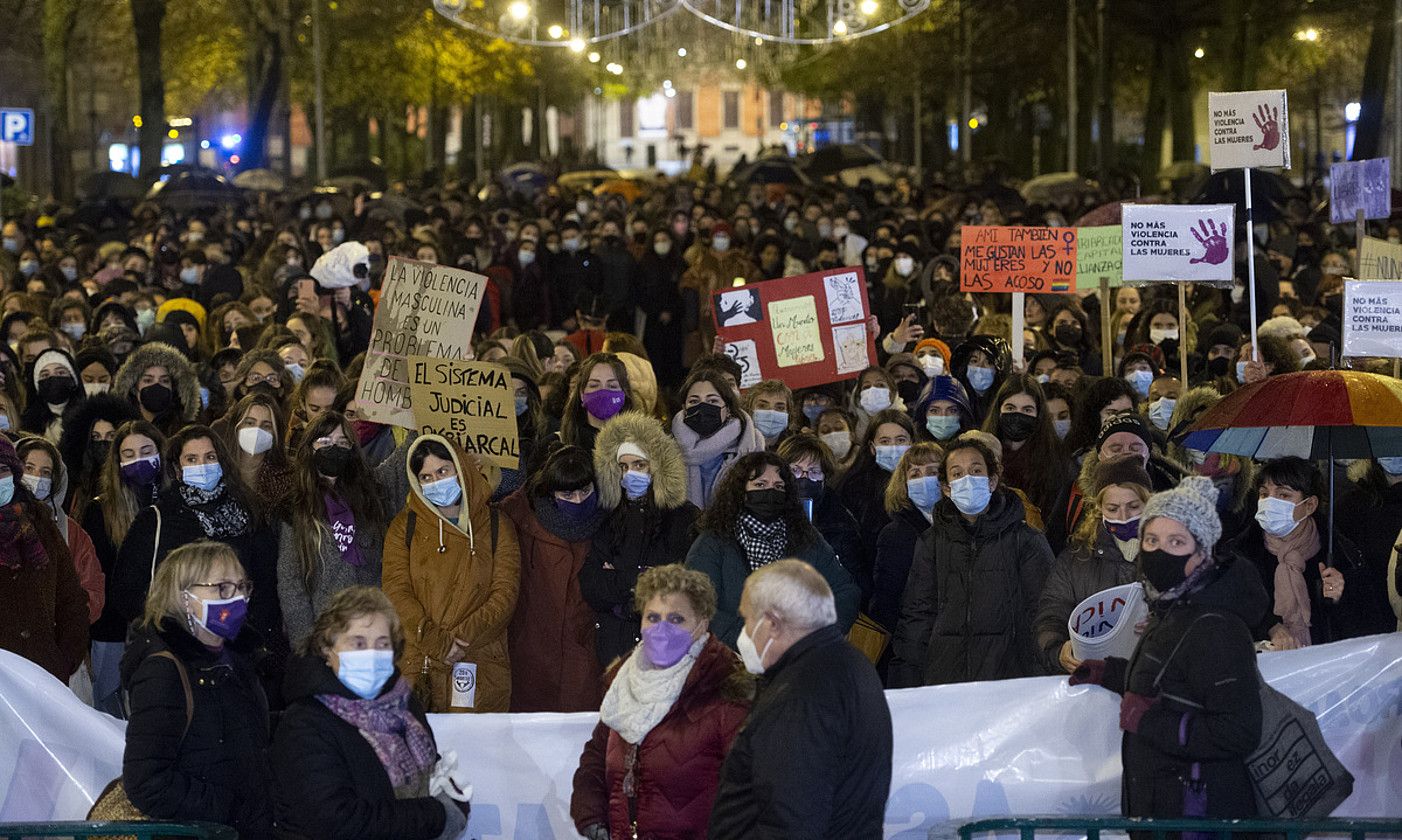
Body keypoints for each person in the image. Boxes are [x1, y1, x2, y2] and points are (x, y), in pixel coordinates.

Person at [1068, 476, 1266, 824]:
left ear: (1201, 553)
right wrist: (1111, 673)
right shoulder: (1173, 605)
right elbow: (1173, 683)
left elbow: (1239, 731)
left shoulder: (1216, 625)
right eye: (1152, 539)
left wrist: (1149, 721)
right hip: (1165, 808)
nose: (1160, 552)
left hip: (1199, 817)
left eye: (1176, 542)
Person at [708, 560, 892, 839]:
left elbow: (788, 820)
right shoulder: (852, 665)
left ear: (771, 623)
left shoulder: (800, 695)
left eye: (747, 620)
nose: (743, 635)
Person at [271, 585, 469, 840]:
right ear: (327, 648)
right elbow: (337, 821)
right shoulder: (304, 723)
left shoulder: (402, 704)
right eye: (358, 643)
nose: (371, 654)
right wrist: (436, 816)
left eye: (382, 644)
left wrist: (453, 798)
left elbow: (433, 769)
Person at [570, 565, 751, 840]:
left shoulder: (725, 688)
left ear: (702, 623)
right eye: (653, 617)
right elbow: (596, 757)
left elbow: (748, 791)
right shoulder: (622, 683)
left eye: (676, 619)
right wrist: (591, 815)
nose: (662, 629)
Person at [121, 540, 273, 838]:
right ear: (185, 598)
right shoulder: (163, 671)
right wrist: (229, 807)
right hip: (208, 830)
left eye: (242, 587)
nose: (238, 598)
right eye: (223, 588)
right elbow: (146, 782)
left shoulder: (240, 658)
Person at [889, 436, 1053, 686]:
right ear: (946, 488)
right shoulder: (931, 542)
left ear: (992, 481)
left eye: (976, 471)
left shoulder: (1026, 540)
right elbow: (917, 616)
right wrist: (906, 681)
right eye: (957, 473)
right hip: (945, 681)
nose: (967, 479)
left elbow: (1044, 615)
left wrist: (1041, 679)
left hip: (1009, 681)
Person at [382, 434, 519, 713]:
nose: (436, 482)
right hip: (419, 664)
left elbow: (505, 594)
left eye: (443, 471)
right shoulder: (403, 527)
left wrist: (458, 641)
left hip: (480, 661)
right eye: (426, 477)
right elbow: (396, 590)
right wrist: (437, 641)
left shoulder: (496, 525)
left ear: (461, 468)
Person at [685, 452, 859, 648]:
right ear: (740, 491)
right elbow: (697, 604)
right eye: (760, 485)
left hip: (797, 659)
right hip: (730, 661)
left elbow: (845, 591)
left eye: (778, 487)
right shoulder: (713, 541)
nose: (770, 492)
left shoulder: (805, 537)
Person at [276, 411, 405, 646]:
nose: (334, 448)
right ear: (309, 448)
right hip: (326, 635)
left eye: (342, 442)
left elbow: (402, 463)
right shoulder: (295, 508)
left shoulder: (373, 493)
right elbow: (290, 583)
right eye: (325, 442)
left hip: (374, 629)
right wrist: (306, 646)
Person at [581, 412, 699, 666]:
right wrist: (647, 575)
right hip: (615, 648)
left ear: (657, 466)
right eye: (623, 466)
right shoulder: (609, 517)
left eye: (639, 465)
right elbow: (592, 584)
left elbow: (685, 586)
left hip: (669, 647)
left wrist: (619, 577)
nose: (630, 474)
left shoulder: (685, 518)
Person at [1223, 457, 1380, 647]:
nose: (1270, 503)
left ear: (1310, 505)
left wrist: (1339, 599)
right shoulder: (1239, 557)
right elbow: (1225, 619)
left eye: (1283, 495)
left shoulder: (1342, 556)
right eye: (1264, 494)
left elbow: (1368, 633)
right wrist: (1269, 626)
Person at [501, 444, 608, 712]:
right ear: (550, 493)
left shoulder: (611, 523)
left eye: (585, 492)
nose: (578, 501)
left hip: (587, 658)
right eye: (568, 494)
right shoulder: (516, 519)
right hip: (531, 657)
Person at [1035, 456, 1152, 675]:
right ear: (1099, 508)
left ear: (1150, 502)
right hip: (1095, 681)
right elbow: (1051, 615)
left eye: (1134, 506)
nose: (1124, 517)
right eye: (1113, 508)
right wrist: (1058, 649)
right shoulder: (1076, 559)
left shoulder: (1173, 552)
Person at [0, 434, 88, 681]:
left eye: (3, 469)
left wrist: (63, 659)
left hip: (41, 674)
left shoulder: (40, 524)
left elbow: (71, 598)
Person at [777, 434, 868, 602]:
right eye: (795, 470)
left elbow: (854, 584)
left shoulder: (841, 524)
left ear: (825, 478)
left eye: (814, 472)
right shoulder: (761, 514)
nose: (803, 478)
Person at [870, 442, 944, 635]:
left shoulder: (958, 525)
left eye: (932, 472)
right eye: (915, 475)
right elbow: (886, 601)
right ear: (904, 483)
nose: (924, 480)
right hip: (912, 637)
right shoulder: (894, 535)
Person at [671, 368, 765, 508]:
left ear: (727, 409)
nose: (702, 406)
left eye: (713, 401)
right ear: (684, 408)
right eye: (694, 401)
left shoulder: (751, 443)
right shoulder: (667, 449)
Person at [834, 408, 914, 538]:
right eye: (885, 442)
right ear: (872, 447)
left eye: (900, 440)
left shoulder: (926, 482)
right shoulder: (854, 488)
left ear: (912, 443)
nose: (893, 448)